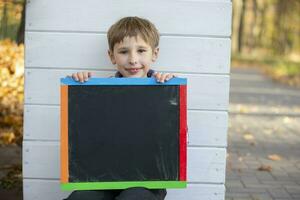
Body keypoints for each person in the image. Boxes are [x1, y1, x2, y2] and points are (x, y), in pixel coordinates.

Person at [65, 16, 176, 200]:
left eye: (141, 50)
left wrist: (171, 97)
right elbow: (85, 135)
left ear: (154, 54)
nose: (133, 60)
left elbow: (174, 141)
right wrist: (81, 89)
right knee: (81, 198)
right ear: (111, 56)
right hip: (102, 177)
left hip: (148, 180)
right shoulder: (96, 93)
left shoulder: (166, 91)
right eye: (124, 51)